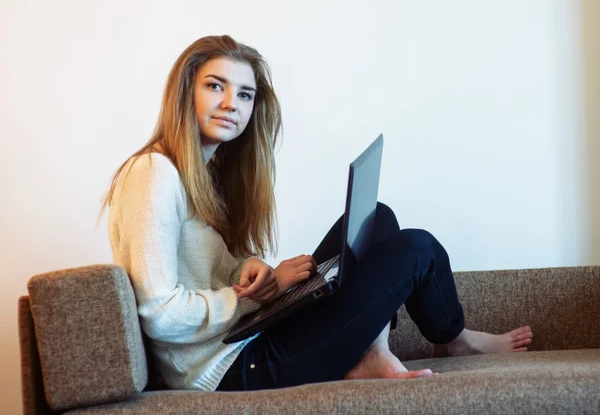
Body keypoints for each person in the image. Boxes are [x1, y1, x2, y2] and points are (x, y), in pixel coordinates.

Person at [99, 34, 533, 392]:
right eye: (216, 86)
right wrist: (254, 297)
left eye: (245, 93)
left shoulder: (201, 173)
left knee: (375, 218)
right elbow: (159, 313)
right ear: (185, 91)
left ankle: (373, 353)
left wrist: (254, 270)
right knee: (417, 248)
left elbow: (207, 267)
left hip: (247, 338)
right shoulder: (154, 173)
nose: (232, 102)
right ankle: (452, 339)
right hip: (227, 370)